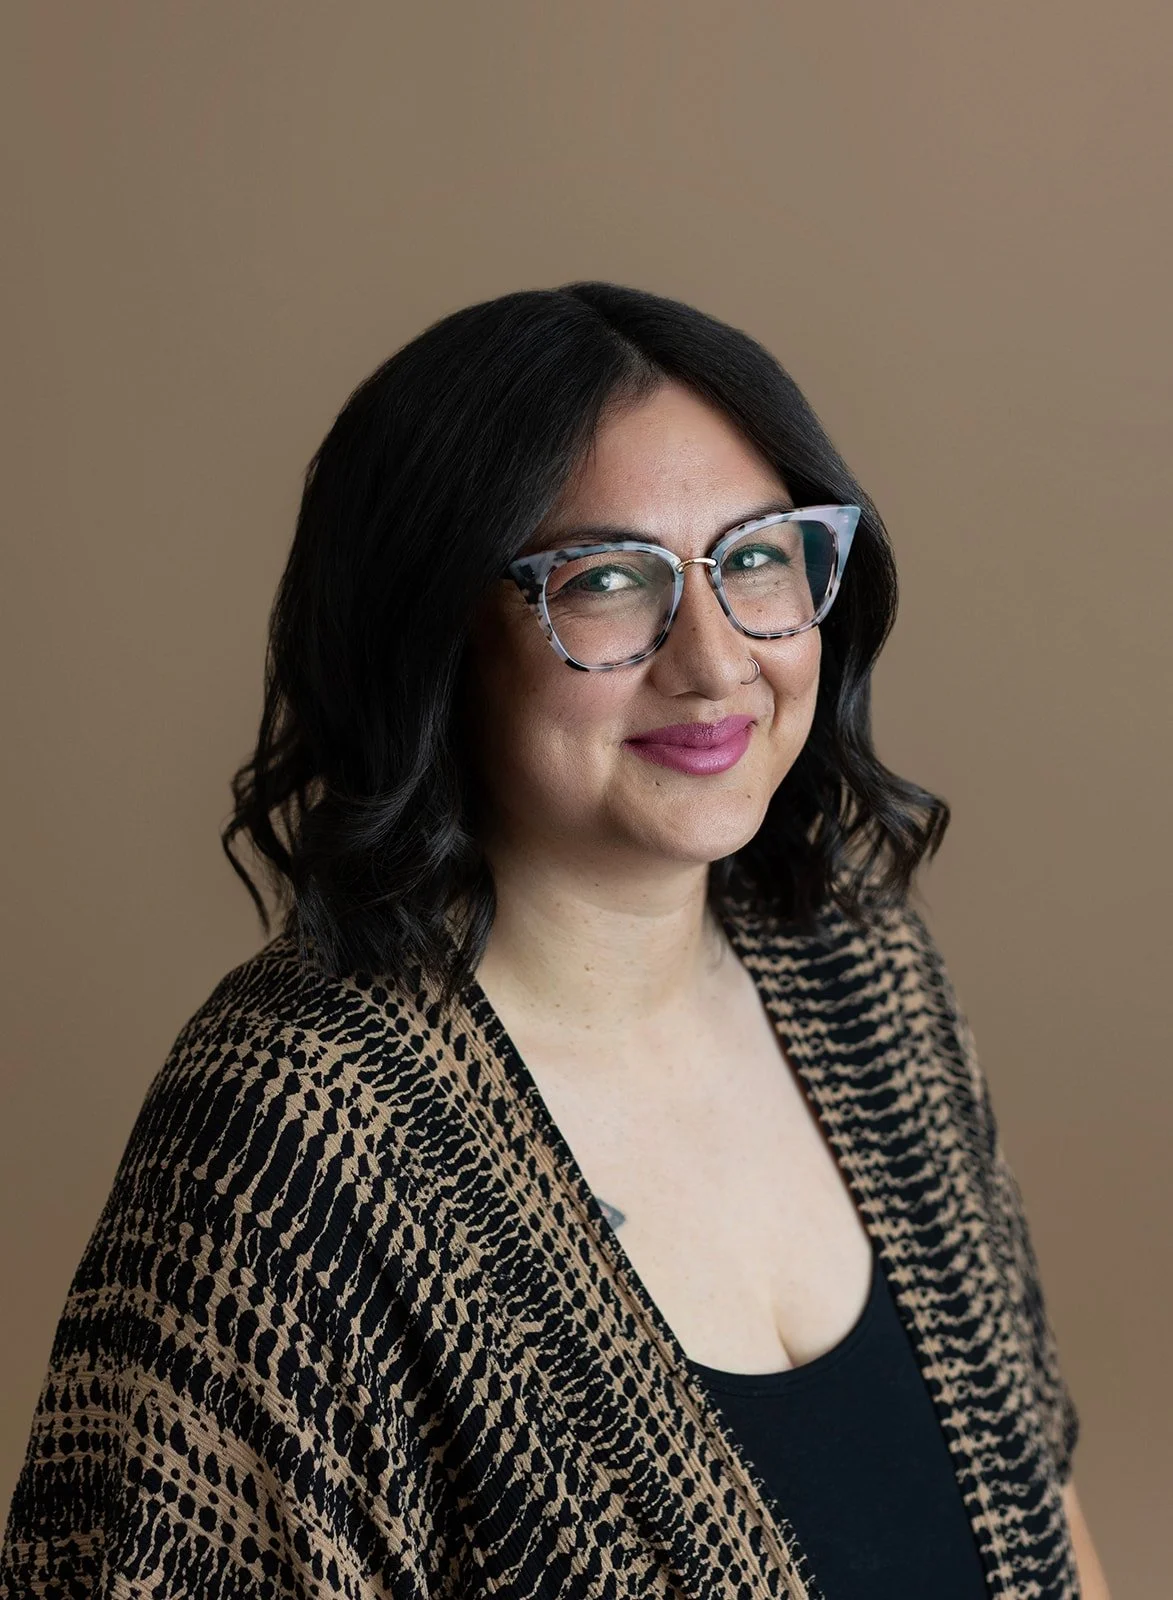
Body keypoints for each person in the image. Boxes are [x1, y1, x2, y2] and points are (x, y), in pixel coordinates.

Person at [0, 282, 1110, 1598]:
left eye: (759, 556)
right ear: (438, 638)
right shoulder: (291, 1141)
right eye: (607, 581)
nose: (711, 661)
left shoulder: (864, 977)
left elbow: (1046, 1516)